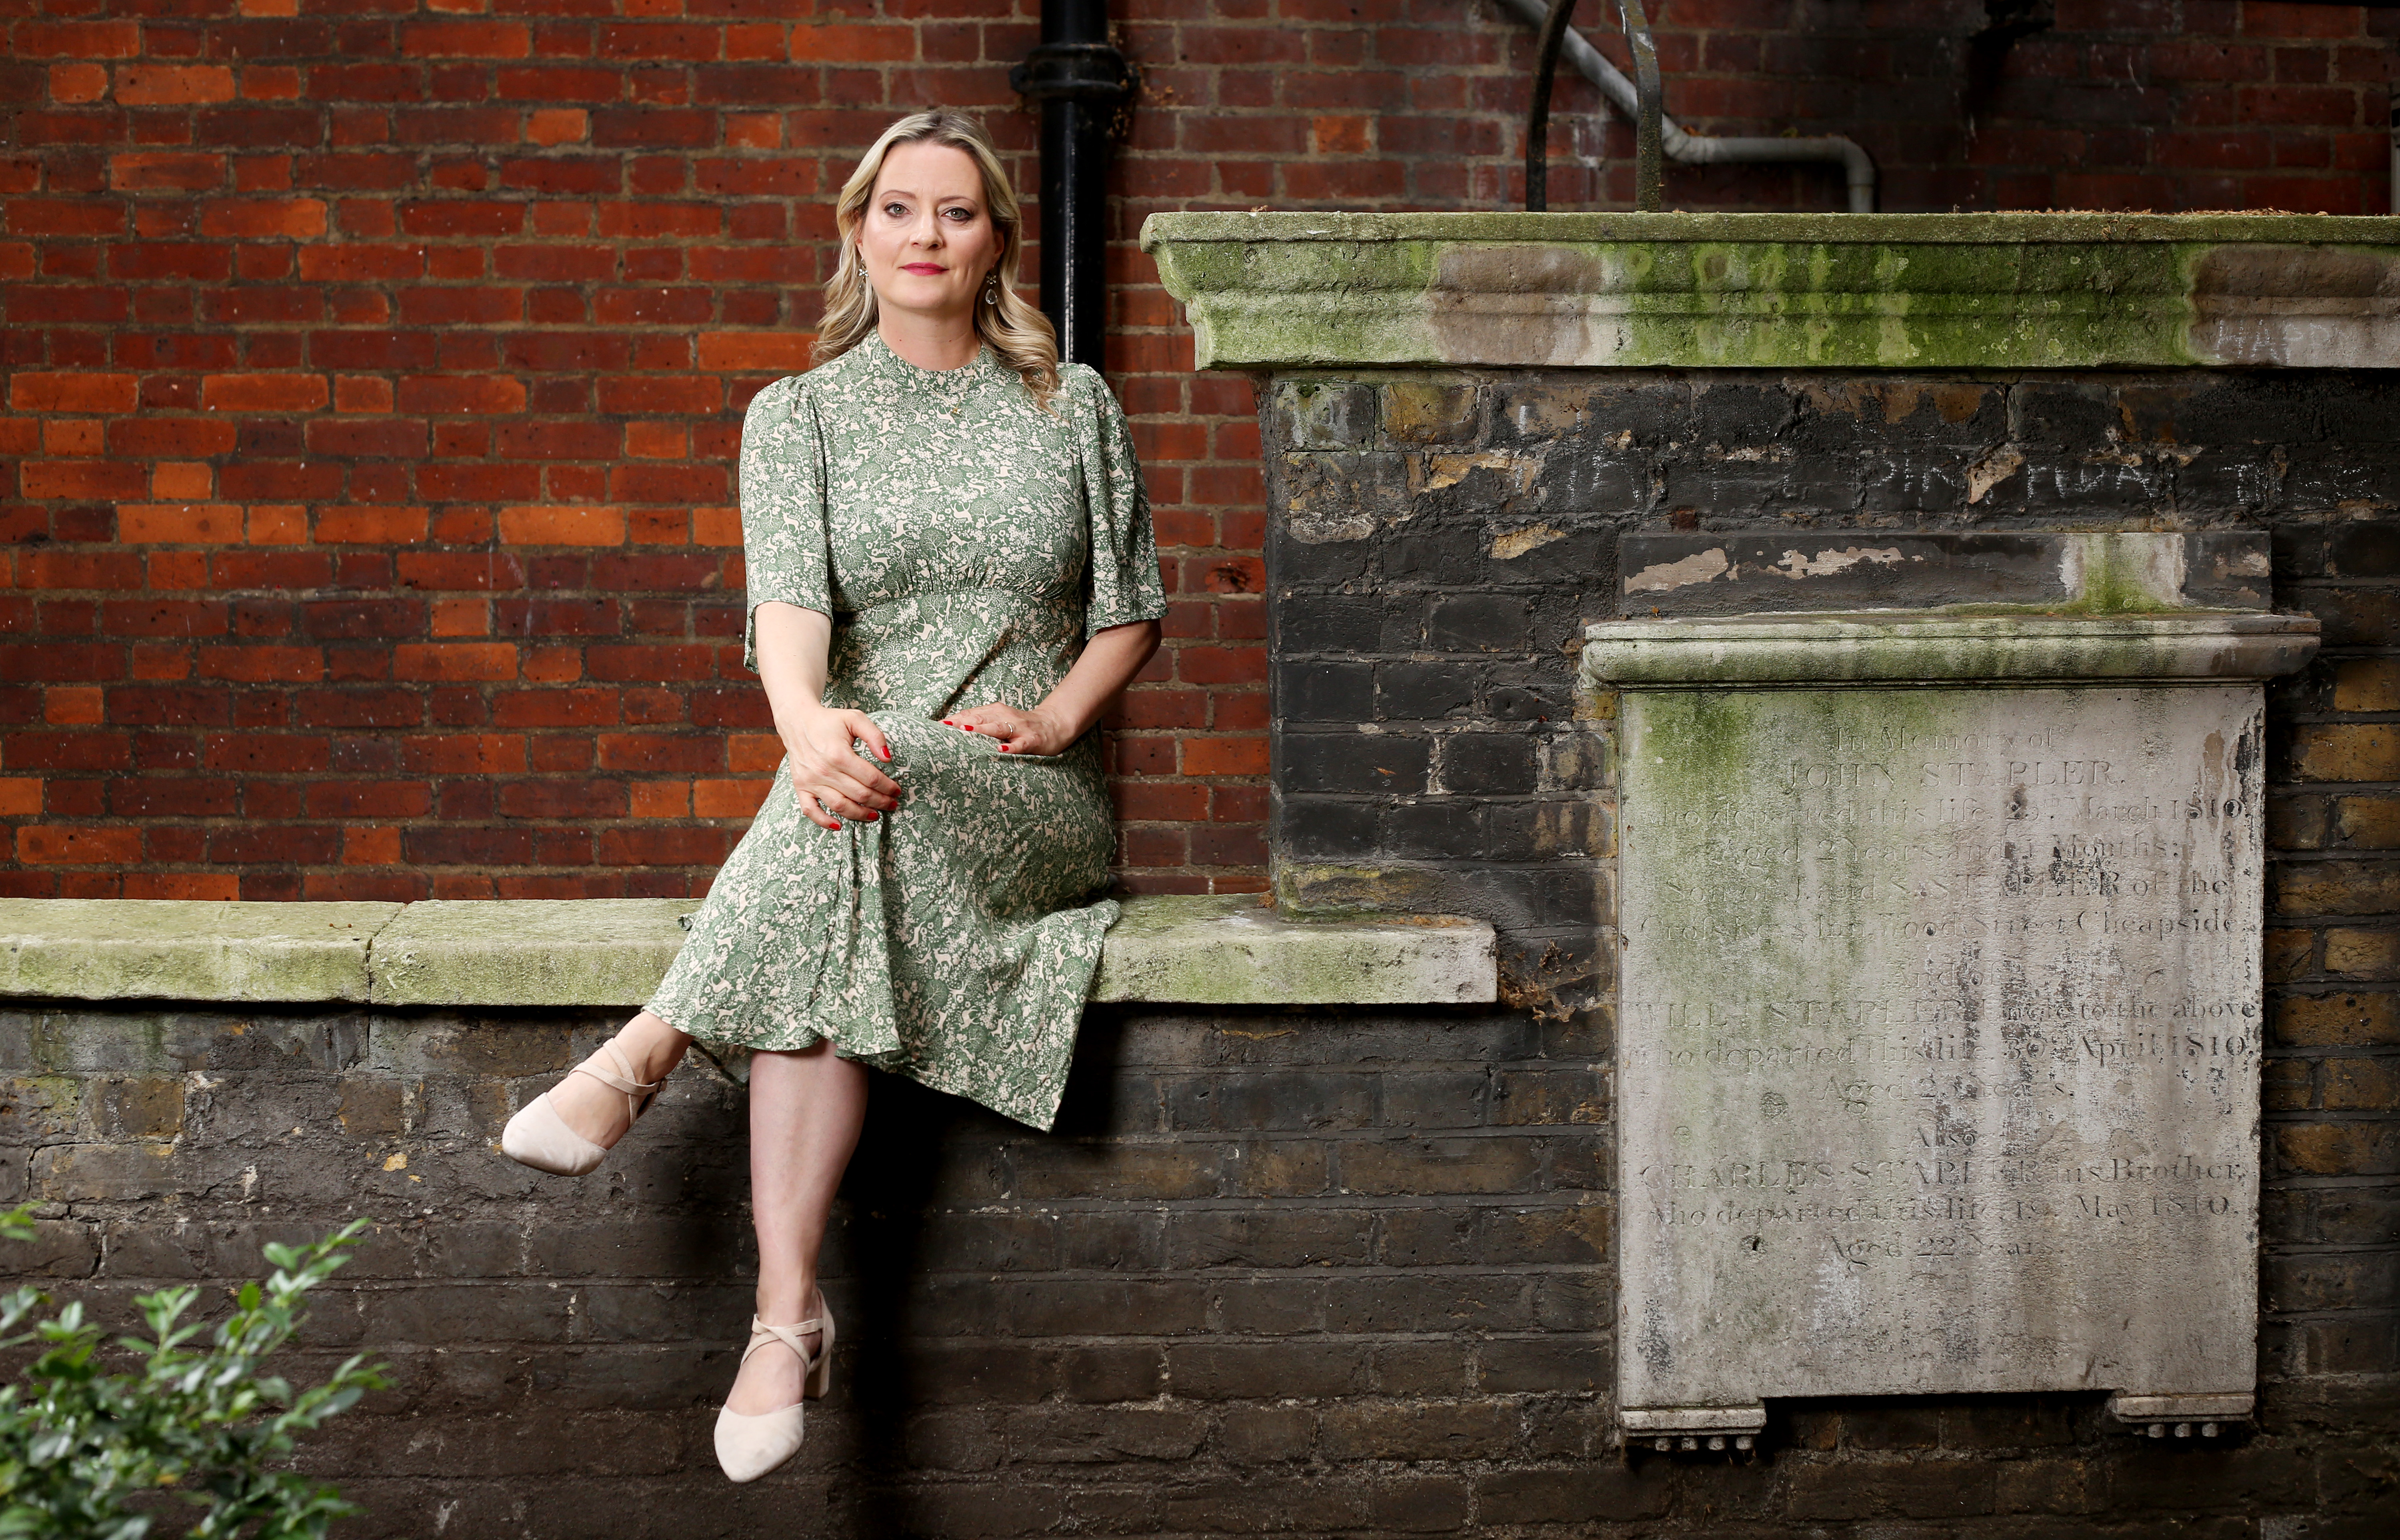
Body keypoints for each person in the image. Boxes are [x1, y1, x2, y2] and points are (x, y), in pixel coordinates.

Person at [496, 108, 1165, 1485]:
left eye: (957, 212)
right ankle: (784, 1313)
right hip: (856, 783)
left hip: (1026, 787)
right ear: (860, 232)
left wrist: (1054, 715)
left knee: (865, 788)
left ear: (996, 243)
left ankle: (644, 1054)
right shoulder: (795, 417)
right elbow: (789, 614)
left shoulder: (1073, 404)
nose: (927, 234)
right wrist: (804, 729)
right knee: (850, 818)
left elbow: (1131, 612)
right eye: (899, 209)